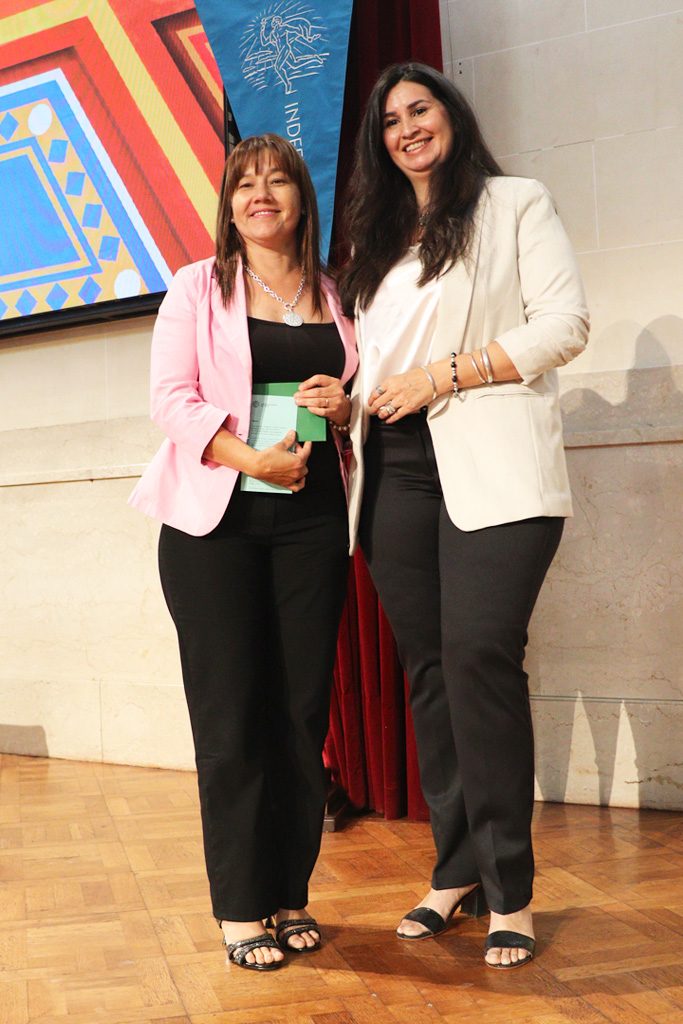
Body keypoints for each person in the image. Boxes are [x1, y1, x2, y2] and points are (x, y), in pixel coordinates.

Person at [339, 63, 589, 969]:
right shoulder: (371, 241)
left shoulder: (514, 203)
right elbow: (376, 363)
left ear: (451, 116)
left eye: (420, 109)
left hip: (491, 455)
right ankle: (454, 872)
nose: (407, 127)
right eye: (390, 120)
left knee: (480, 656)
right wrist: (347, 396)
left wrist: (442, 376)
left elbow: (562, 326)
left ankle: (509, 890)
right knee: (431, 673)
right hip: (393, 469)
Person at [129, 133, 357, 971]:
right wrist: (248, 459)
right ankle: (238, 908)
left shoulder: (336, 292)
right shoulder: (199, 286)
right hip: (213, 528)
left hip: (312, 521)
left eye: (276, 181)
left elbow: (356, 395)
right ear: (228, 205)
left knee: (299, 716)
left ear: (301, 196)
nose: (260, 194)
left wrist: (343, 406)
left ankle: (289, 893)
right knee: (231, 721)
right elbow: (171, 400)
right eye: (244, 184)